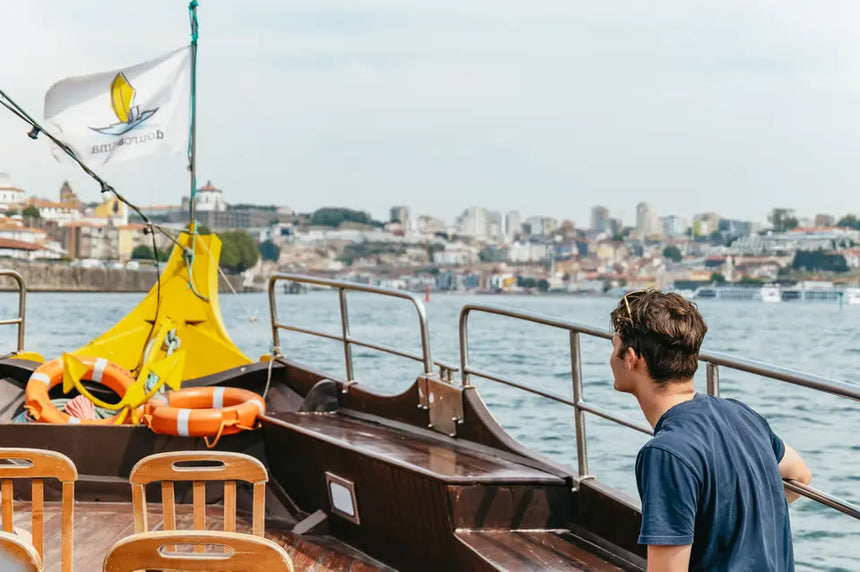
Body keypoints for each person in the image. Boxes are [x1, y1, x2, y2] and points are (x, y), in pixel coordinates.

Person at [609, 289, 811, 571]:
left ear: (631, 358)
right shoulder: (741, 414)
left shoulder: (666, 453)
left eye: (614, 346)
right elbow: (799, 475)